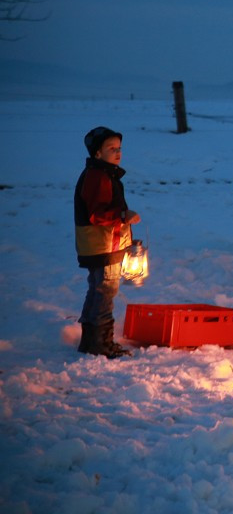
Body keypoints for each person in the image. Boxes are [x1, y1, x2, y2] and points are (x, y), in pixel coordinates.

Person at [74, 126, 139, 358]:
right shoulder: (98, 176)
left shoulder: (104, 174)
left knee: (97, 290)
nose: (117, 152)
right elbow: (97, 214)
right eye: (111, 148)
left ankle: (90, 341)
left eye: (119, 148)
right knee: (105, 292)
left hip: (103, 244)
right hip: (103, 245)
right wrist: (123, 216)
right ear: (97, 153)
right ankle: (102, 343)